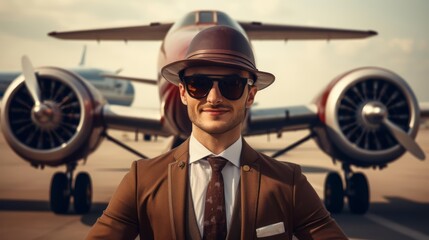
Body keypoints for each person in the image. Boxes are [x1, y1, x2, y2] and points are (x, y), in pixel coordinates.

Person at [86, 26, 347, 240]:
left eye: (231, 85)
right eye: (198, 84)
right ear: (182, 92)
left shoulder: (289, 184)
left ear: (250, 95)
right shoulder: (140, 180)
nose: (214, 97)